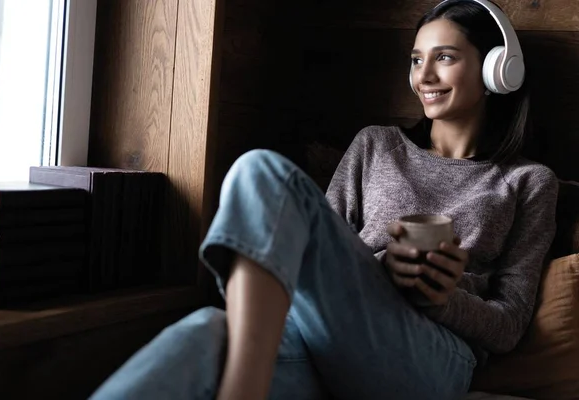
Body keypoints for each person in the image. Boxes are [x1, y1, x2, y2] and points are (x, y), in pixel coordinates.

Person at [90, 1, 558, 399]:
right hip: (328, 338)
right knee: (204, 334)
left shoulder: (529, 181)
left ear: (497, 70)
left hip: (432, 356)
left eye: (445, 57)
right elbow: (312, 256)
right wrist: (376, 270)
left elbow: (510, 323)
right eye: (416, 59)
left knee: (261, 171)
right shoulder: (377, 145)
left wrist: (442, 299)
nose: (425, 75)